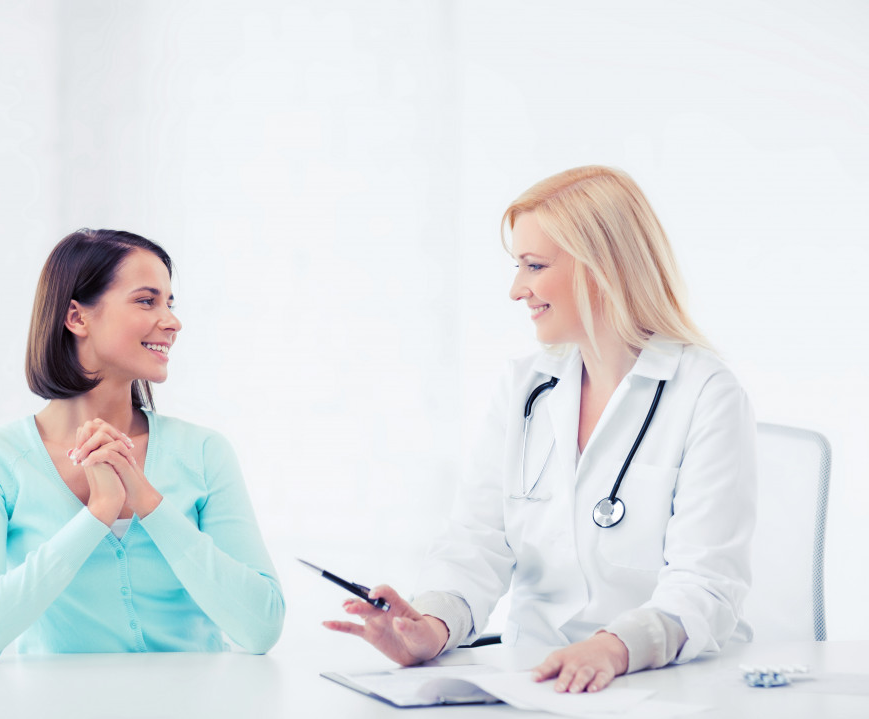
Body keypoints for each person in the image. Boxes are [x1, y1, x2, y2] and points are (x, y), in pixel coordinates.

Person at [324, 166, 756, 693]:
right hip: (534, 680)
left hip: (656, 680)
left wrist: (612, 648)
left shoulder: (706, 392)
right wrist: (430, 629)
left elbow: (707, 585)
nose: (515, 290)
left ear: (602, 268)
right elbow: (476, 540)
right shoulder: (526, 388)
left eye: (533, 265)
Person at [0, 229, 284, 665]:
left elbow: (261, 627)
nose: (172, 321)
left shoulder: (204, 451)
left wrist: (147, 502)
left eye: (170, 302)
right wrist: (98, 512)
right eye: (147, 301)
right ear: (77, 318)